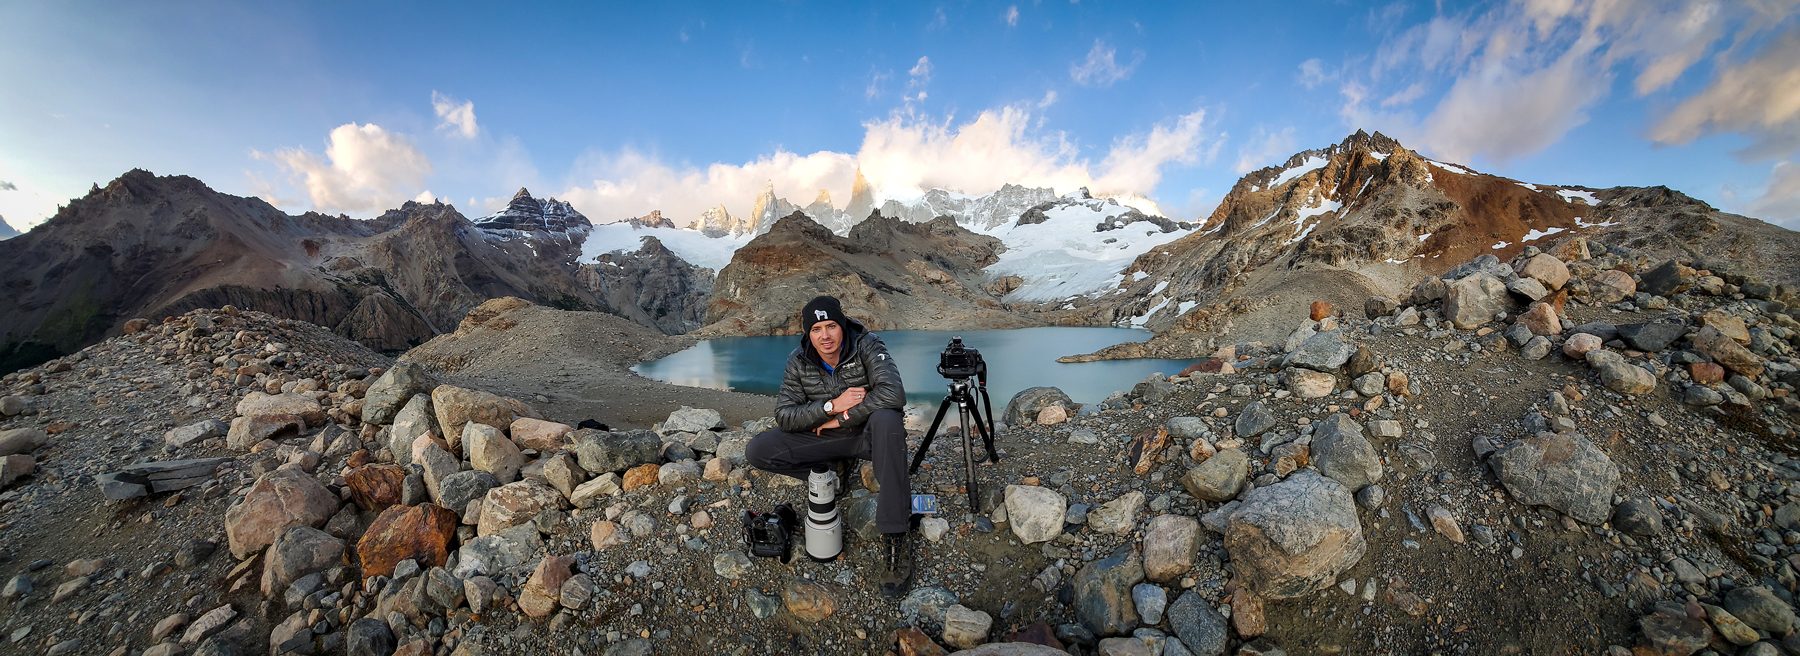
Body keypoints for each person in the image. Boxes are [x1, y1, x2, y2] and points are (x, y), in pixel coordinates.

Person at [745, 295, 914, 596]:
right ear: (808, 333)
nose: (825, 336)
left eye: (831, 326)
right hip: (823, 436)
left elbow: (893, 393)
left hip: (867, 435)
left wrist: (843, 417)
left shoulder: (867, 344)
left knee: (888, 420)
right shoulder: (799, 360)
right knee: (758, 450)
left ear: (843, 325)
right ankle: (834, 472)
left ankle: (894, 536)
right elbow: (784, 416)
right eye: (817, 329)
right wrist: (830, 407)